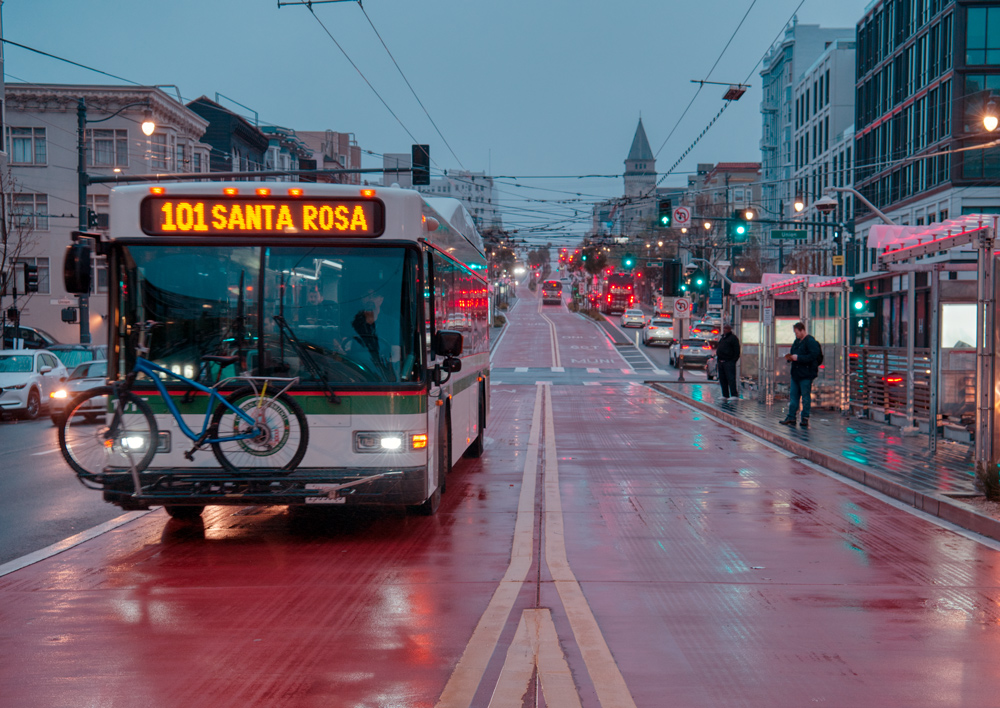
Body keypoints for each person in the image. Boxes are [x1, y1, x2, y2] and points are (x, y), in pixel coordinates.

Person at [780, 321, 821, 429]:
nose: (796, 335)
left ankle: (805, 418)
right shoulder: (797, 341)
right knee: (793, 396)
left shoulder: (811, 342)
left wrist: (798, 358)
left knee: (805, 397)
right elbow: (793, 351)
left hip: (806, 374)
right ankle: (791, 416)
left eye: (797, 333)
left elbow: (813, 356)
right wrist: (790, 358)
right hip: (796, 374)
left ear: (802, 330)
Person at [715, 323, 740, 399]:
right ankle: (725, 394)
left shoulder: (733, 338)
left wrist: (733, 360)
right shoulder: (723, 338)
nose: (725, 330)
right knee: (723, 379)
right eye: (724, 328)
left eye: (726, 328)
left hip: (729, 361)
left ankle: (733, 394)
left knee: (731, 378)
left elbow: (737, 351)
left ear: (729, 329)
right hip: (721, 361)